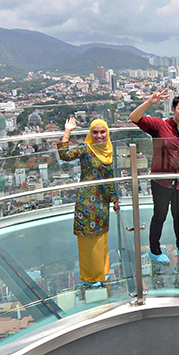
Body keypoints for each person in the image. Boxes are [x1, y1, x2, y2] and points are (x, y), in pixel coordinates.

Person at [129, 89, 179, 265]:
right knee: (159, 215)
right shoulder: (160, 126)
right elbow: (134, 117)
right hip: (161, 181)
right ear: (174, 109)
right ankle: (154, 250)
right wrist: (150, 102)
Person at [58, 117, 120, 286]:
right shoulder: (86, 148)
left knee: (101, 239)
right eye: (95, 132)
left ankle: (102, 271)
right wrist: (67, 131)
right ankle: (91, 277)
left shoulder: (107, 149)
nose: (99, 136)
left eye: (102, 132)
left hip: (103, 201)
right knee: (89, 242)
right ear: (90, 134)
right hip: (87, 201)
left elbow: (109, 178)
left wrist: (114, 200)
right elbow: (64, 155)